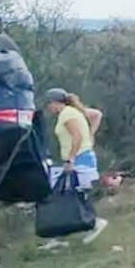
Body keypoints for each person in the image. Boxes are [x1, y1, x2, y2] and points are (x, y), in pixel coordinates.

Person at [44, 87, 109, 243]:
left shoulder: (67, 114)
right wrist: (91, 134)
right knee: (66, 196)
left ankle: (94, 222)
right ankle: (59, 236)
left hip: (79, 159)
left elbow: (77, 136)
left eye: (48, 104)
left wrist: (71, 159)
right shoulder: (73, 112)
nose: (48, 108)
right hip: (82, 157)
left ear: (54, 102)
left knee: (72, 196)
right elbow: (96, 115)